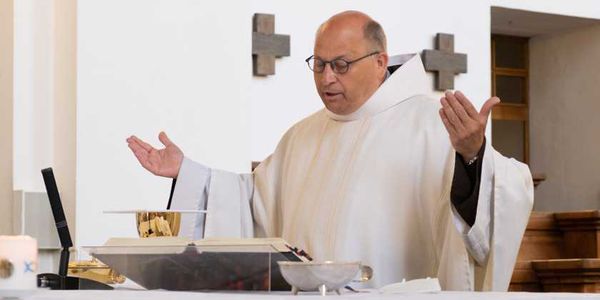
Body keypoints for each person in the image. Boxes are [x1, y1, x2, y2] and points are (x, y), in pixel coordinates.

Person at [127, 11, 533, 291]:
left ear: (380, 62)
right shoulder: (302, 137)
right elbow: (255, 205)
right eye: (318, 64)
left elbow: (495, 204)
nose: (326, 78)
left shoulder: (431, 125)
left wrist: (473, 156)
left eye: (340, 64)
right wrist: (190, 173)